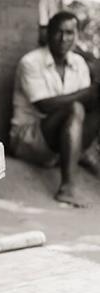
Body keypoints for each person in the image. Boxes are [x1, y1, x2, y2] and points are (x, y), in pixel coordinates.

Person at [10, 11, 100, 207]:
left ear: (76, 36)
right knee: (74, 108)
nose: (63, 38)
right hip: (28, 139)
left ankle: (85, 153)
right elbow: (45, 105)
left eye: (69, 33)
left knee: (88, 108)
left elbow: (86, 106)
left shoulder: (79, 63)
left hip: (59, 140)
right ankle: (67, 188)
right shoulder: (31, 62)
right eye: (58, 32)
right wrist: (88, 92)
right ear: (48, 34)